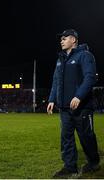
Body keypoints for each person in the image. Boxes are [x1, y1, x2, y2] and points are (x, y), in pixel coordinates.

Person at [47, 29, 100, 178]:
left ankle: (93, 163)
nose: (61, 41)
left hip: (82, 107)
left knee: (86, 136)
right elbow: (56, 81)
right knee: (66, 138)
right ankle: (70, 167)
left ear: (74, 40)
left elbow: (90, 77)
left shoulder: (85, 55)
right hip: (64, 108)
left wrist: (78, 96)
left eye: (64, 38)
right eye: (61, 39)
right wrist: (52, 99)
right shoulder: (60, 60)